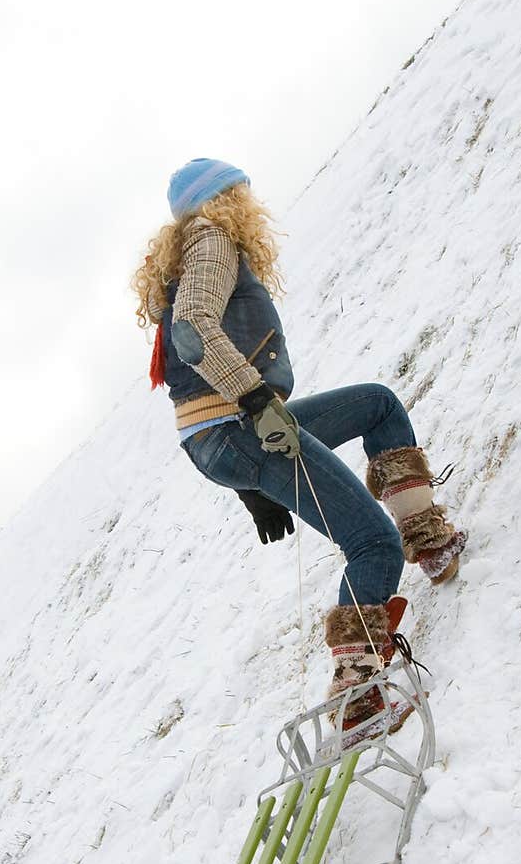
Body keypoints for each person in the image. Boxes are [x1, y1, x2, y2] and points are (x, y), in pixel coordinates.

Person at [131, 158, 467, 736]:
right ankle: (358, 696)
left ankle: (429, 540)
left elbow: (190, 392)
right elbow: (192, 326)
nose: (250, 201)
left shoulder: (185, 260)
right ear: (223, 199)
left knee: (377, 405)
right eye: (240, 191)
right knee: (372, 545)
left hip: (223, 437)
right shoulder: (212, 240)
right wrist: (256, 401)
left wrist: (250, 484)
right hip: (242, 426)